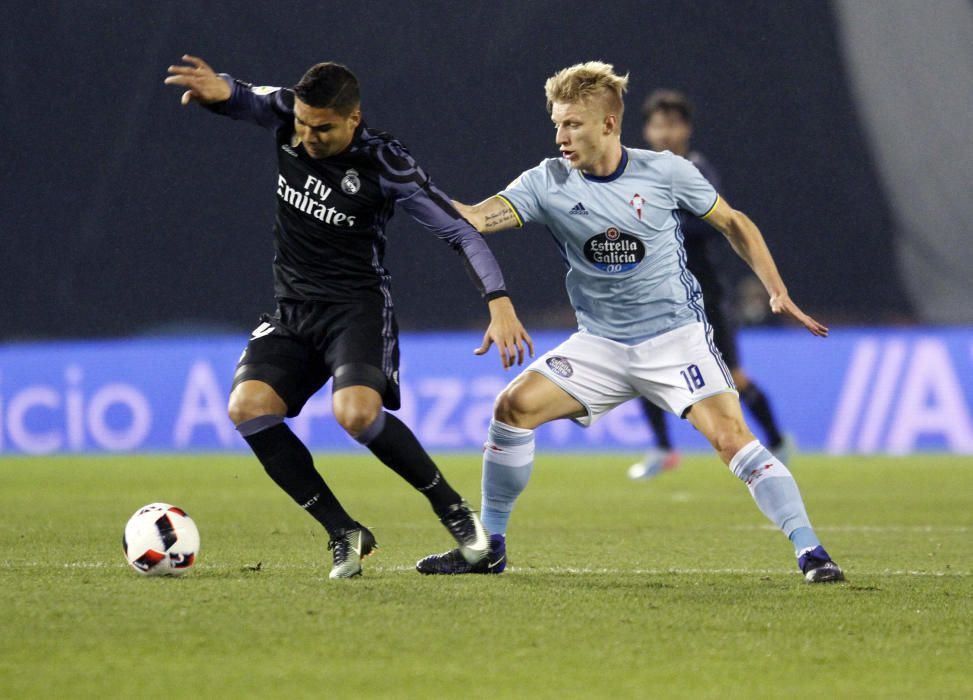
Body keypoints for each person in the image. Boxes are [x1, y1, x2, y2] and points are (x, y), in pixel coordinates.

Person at [416, 61, 844, 583]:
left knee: (732, 439)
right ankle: (490, 547)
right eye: (556, 124)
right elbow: (477, 218)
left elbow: (735, 222)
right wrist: (410, 185)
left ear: (609, 125)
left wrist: (777, 289)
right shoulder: (546, 181)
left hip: (675, 340)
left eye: (572, 124)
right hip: (600, 344)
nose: (561, 137)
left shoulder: (664, 172)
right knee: (512, 408)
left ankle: (812, 552)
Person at [164, 55, 533, 579]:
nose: (308, 136)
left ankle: (457, 516)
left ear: (352, 120)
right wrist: (216, 89)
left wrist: (498, 300)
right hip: (292, 309)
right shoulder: (288, 112)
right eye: (302, 125)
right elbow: (241, 94)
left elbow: (460, 231)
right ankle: (344, 532)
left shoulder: (386, 163)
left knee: (355, 414)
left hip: (356, 308)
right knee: (248, 408)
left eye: (323, 128)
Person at [627, 89, 792, 480]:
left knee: (732, 376)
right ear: (647, 131)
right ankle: (664, 450)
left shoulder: (697, 169)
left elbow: (713, 223)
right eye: (657, 124)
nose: (665, 133)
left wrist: (660, 225)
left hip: (702, 290)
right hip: (654, 292)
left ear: (686, 129)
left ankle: (778, 441)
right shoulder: (638, 173)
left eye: (672, 123)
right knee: (638, 369)